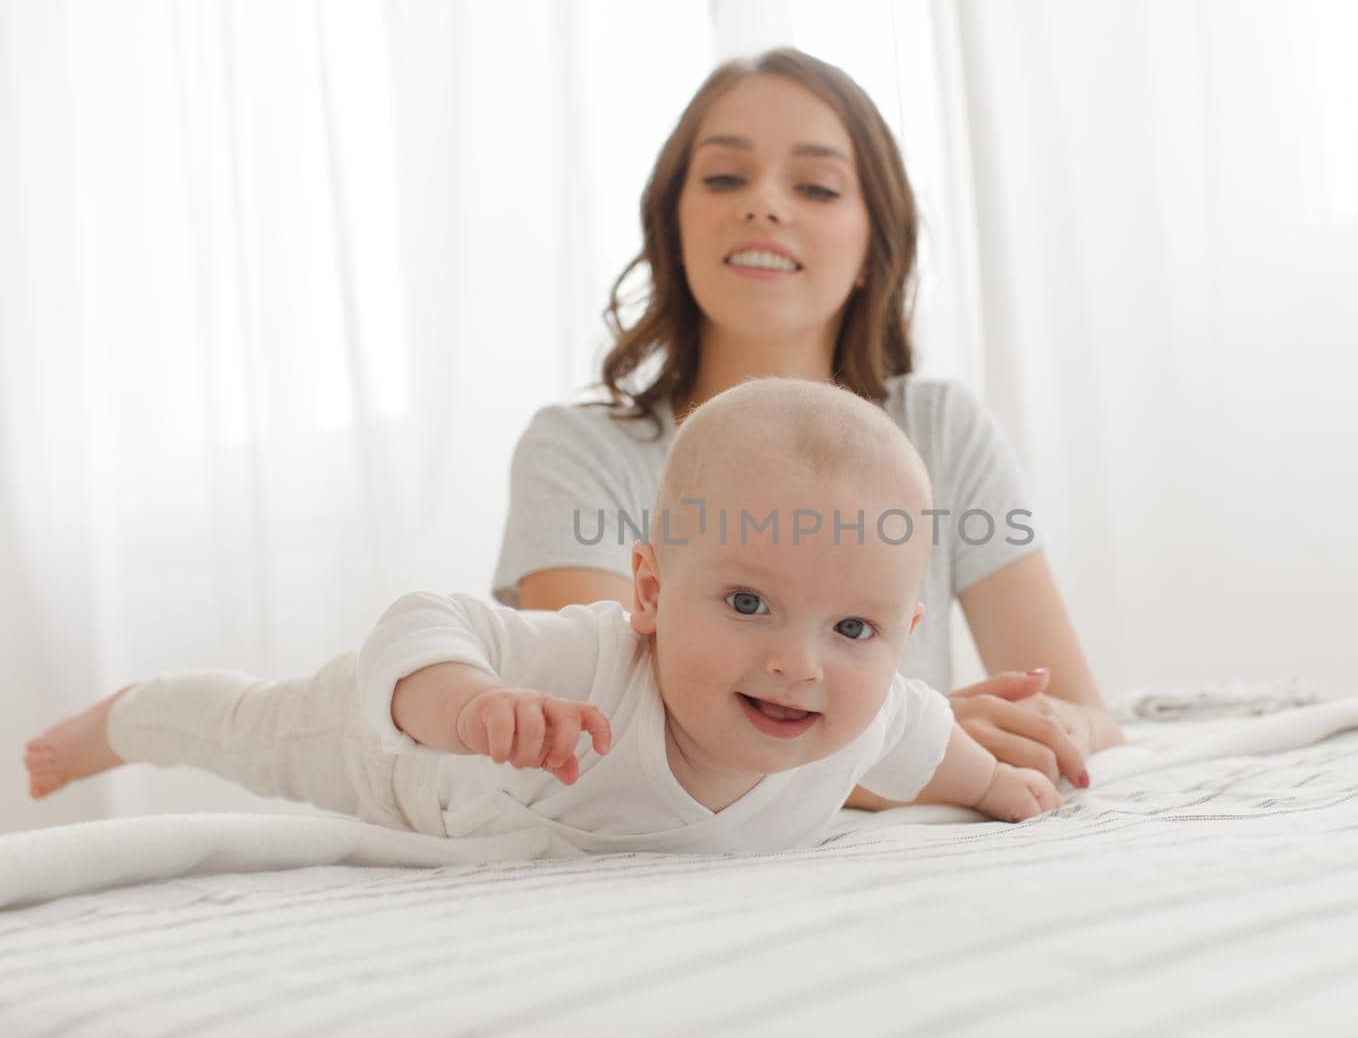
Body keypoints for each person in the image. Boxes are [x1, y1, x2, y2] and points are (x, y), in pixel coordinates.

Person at [25, 382, 1071, 854]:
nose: (799, 663)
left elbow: (940, 749)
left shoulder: (874, 714)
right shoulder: (590, 665)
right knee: (247, 726)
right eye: (748, 602)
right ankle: (122, 717)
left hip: (500, 818)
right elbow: (423, 616)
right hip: (403, 757)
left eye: (853, 629)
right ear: (650, 592)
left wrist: (1005, 787)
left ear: (901, 630)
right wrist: (469, 702)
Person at [494, 47, 1123, 811]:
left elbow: (1085, 712)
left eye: (816, 186)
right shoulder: (580, 453)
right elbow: (608, 730)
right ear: (672, 227)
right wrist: (923, 752)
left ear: (870, 246)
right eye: (724, 177)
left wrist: (1048, 725)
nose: (763, 203)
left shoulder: (941, 428)